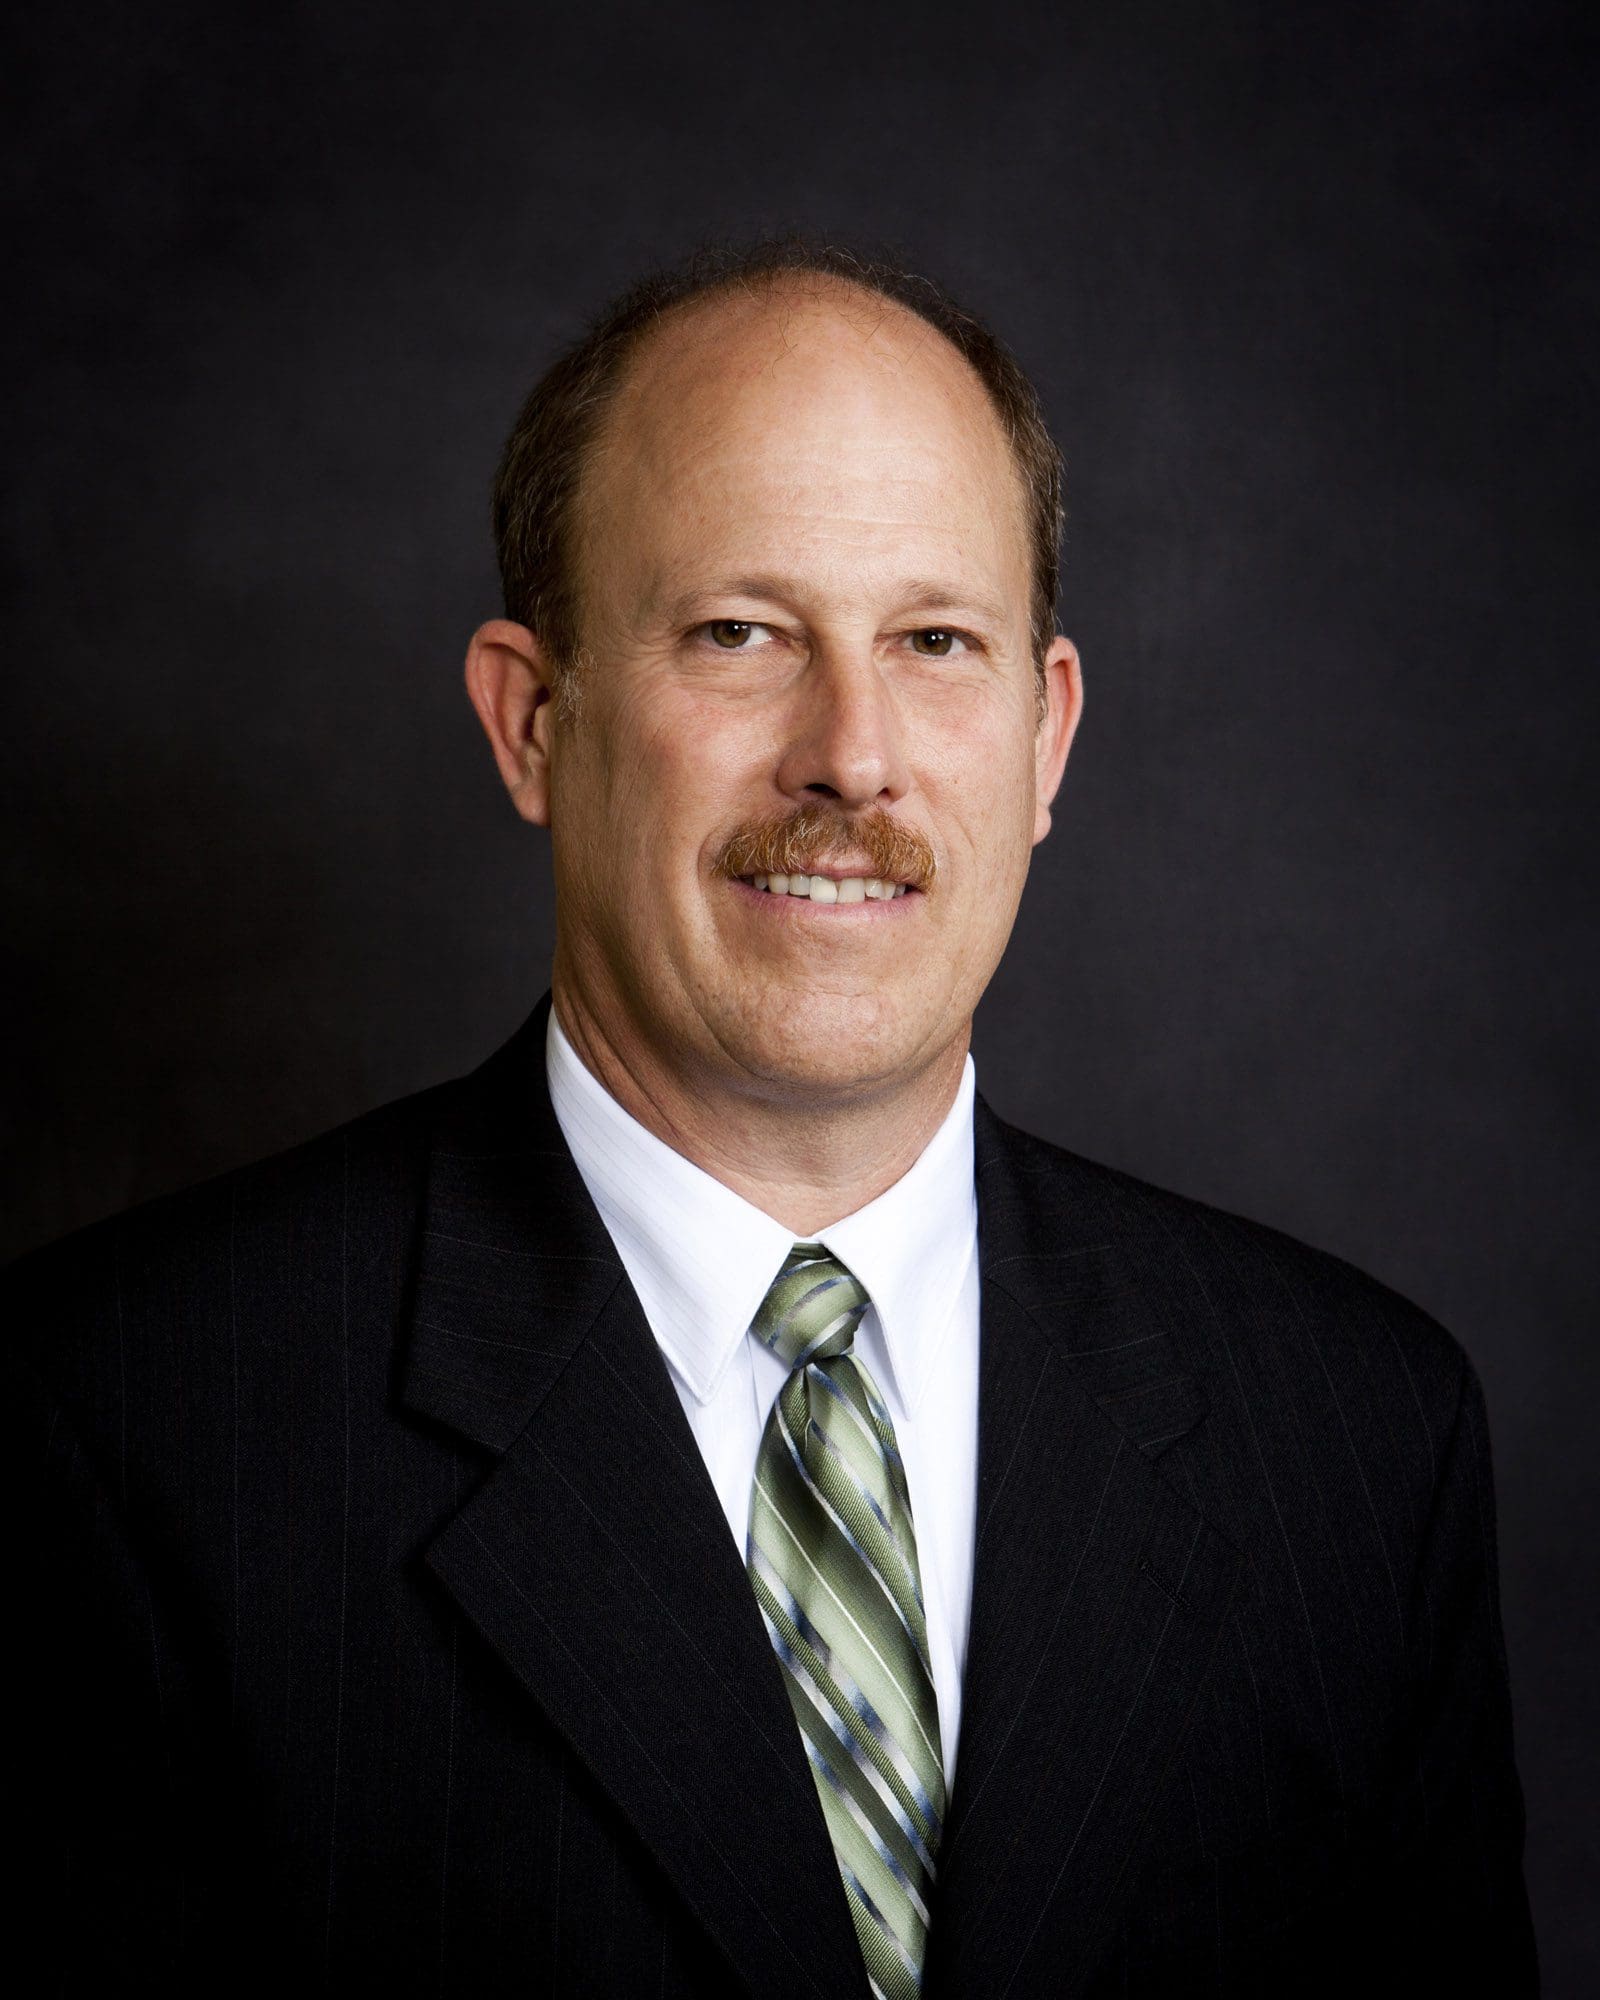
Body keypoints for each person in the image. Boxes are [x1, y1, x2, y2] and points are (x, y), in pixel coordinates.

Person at [6, 240, 1538, 1997]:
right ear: (533, 720)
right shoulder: (127, 1434)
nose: (853, 755)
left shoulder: (1357, 1439)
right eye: (739, 633)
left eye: (935, 641)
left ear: (1045, 738)